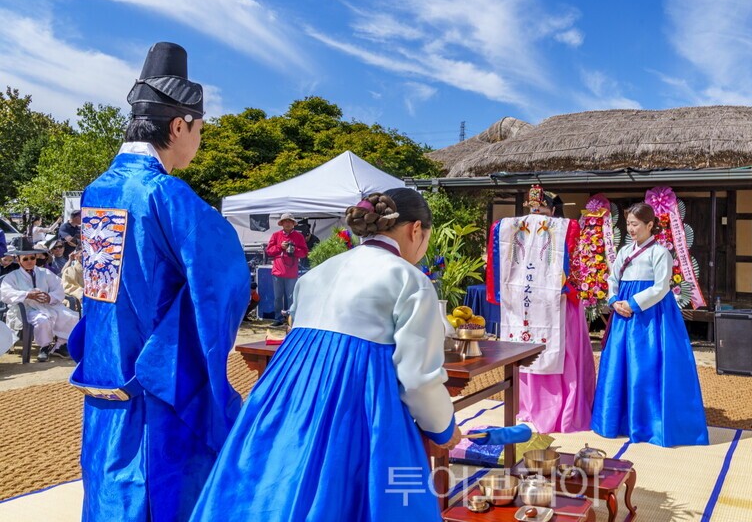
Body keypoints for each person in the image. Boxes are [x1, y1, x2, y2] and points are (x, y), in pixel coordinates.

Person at [191, 189, 461, 522]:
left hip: (288, 398)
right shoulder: (409, 279)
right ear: (416, 229)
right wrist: (443, 428)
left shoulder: (317, 273)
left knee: (277, 490)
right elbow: (418, 380)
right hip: (359, 408)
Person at [69, 42, 249, 522]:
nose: (199, 141)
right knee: (160, 495)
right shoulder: (164, 193)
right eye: (200, 130)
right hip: (156, 385)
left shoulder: (98, 190)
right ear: (178, 126)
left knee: (108, 488)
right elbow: (223, 278)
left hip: (105, 374)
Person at [591, 202, 708, 447]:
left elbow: (661, 287)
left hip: (651, 315)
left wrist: (633, 303)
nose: (630, 229)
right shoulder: (624, 251)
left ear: (650, 224)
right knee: (620, 363)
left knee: (645, 366)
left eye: (635, 224)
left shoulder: (660, 252)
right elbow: (613, 278)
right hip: (623, 311)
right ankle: (619, 421)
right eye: (628, 224)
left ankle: (648, 425)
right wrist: (613, 300)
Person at [486, 185, 595, 433]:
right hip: (541, 301)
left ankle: (544, 406)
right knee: (540, 348)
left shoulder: (512, 227)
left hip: (545, 301)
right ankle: (542, 406)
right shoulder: (558, 229)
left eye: (541, 212)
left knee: (546, 348)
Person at [1, 249, 78, 361]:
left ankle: (60, 345)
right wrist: (27, 295)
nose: (29, 261)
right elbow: (5, 293)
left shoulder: (45, 273)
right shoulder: (12, 276)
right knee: (42, 320)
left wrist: (50, 297)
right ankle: (44, 347)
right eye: (25, 259)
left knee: (69, 316)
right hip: (25, 309)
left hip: (48, 306)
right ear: (18, 260)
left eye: (32, 258)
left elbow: (59, 288)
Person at [264, 212, 308, 326]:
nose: (287, 224)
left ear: (293, 224)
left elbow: (304, 252)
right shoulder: (276, 235)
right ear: (282, 223)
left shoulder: (299, 236)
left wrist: (294, 250)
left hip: (291, 272)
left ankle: (291, 319)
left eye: (290, 221)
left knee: (291, 297)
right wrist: (280, 247)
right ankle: (278, 319)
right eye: (285, 221)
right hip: (278, 271)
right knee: (278, 297)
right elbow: (269, 251)